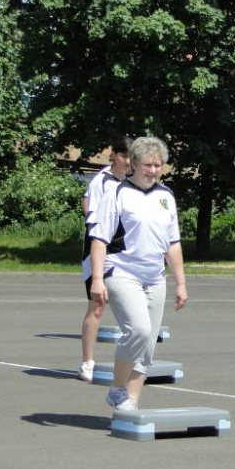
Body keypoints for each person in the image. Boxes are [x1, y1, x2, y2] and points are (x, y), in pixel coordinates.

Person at [88, 136, 188, 410]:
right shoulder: (117, 193)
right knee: (140, 331)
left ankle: (128, 405)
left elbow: (173, 242)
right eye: (148, 164)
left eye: (158, 165)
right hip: (121, 271)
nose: (154, 170)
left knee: (147, 348)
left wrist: (180, 283)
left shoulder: (166, 197)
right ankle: (118, 388)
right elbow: (99, 239)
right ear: (133, 163)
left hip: (155, 278)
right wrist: (97, 279)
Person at [77, 137, 133, 382]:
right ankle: (88, 362)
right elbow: (93, 219)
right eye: (124, 156)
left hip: (124, 252)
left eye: (132, 157)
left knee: (131, 307)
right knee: (97, 306)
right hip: (99, 251)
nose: (128, 161)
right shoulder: (102, 181)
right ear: (114, 155)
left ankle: (132, 361)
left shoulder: (133, 182)